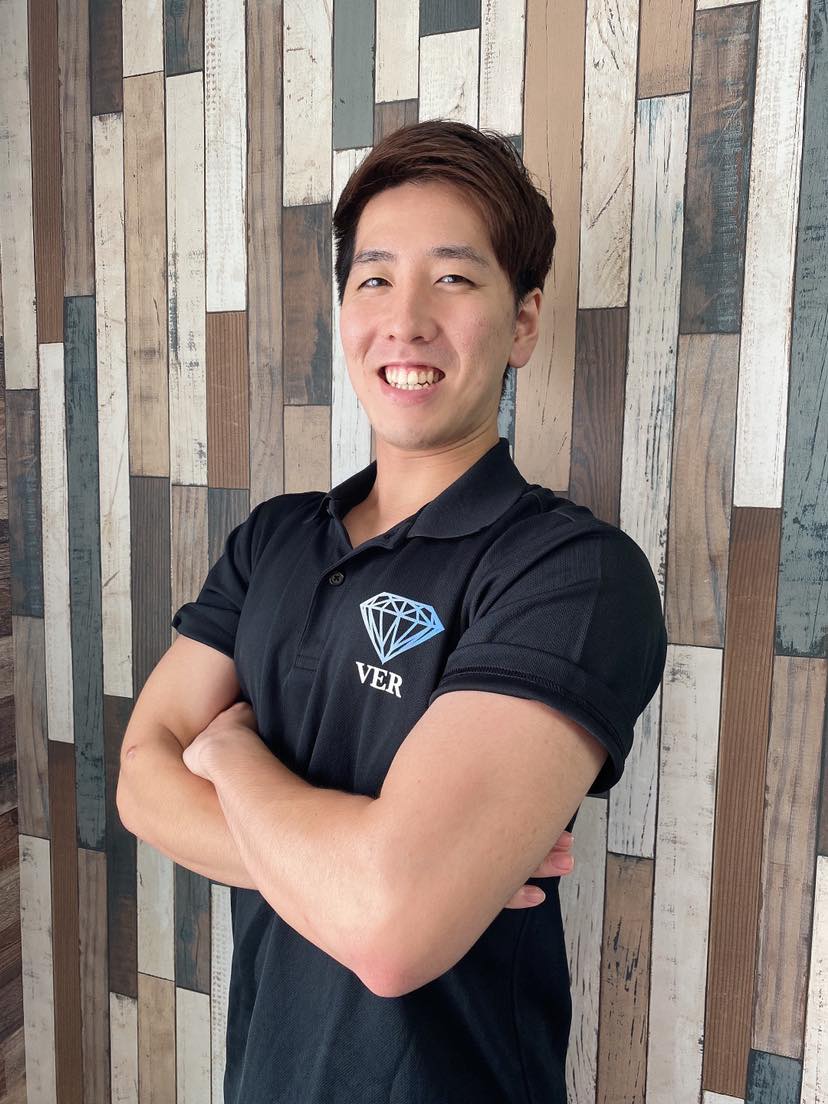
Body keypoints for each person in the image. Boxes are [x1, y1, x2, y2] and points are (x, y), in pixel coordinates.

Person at [117, 119, 667, 1103]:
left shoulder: (571, 573)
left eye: (452, 278)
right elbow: (138, 781)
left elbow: (390, 933)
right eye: (374, 278)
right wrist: (373, 876)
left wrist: (230, 754)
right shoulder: (273, 541)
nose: (405, 320)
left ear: (523, 322)